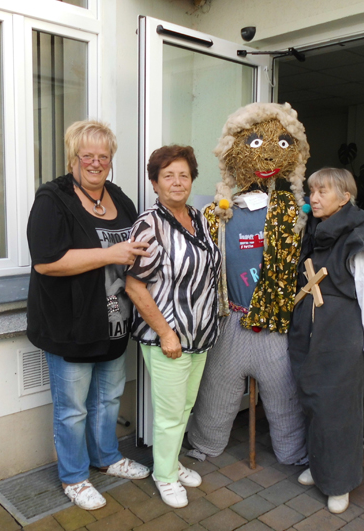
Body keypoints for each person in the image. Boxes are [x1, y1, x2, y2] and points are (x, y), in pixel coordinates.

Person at [26, 120, 151, 511]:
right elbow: (46, 262)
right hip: (70, 325)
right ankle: (74, 477)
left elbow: (138, 243)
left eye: (104, 156)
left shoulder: (118, 197)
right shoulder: (53, 199)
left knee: (109, 398)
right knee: (73, 409)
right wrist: (110, 254)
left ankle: (106, 457)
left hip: (113, 321)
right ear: (73, 158)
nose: (96, 163)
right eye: (87, 156)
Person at [187, 102, 308, 466]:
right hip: (230, 321)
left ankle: (293, 450)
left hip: (274, 324)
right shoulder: (216, 215)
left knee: (284, 395)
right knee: (216, 391)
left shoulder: (291, 212)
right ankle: (205, 442)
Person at [288, 167, 364, 514]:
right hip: (313, 333)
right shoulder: (318, 229)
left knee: (338, 410)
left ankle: (339, 482)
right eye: (312, 191)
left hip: (340, 335)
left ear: (345, 197)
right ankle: (321, 468)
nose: (314, 198)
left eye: (323, 192)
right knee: (314, 402)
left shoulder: (359, 235)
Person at [125, 145, 221, 508]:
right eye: (168, 176)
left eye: (184, 175)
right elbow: (134, 286)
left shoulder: (199, 217)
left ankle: (170, 462)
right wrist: (166, 333)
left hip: (200, 334)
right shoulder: (149, 225)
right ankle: (164, 475)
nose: (177, 182)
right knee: (169, 413)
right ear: (155, 183)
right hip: (167, 336)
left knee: (184, 408)